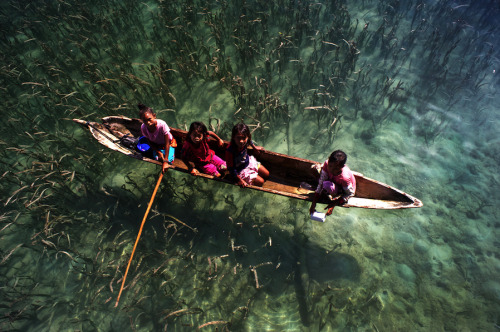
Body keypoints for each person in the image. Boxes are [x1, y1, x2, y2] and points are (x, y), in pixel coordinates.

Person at [309, 150, 356, 216]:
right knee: (314, 168)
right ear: (328, 161)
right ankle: (324, 191)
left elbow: (350, 193)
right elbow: (321, 183)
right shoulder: (327, 164)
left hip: (341, 187)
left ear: (342, 167)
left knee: (327, 185)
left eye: (336, 169)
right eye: (330, 166)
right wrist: (313, 204)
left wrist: (334, 204)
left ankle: (329, 193)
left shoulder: (344, 178)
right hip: (332, 179)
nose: (331, 170)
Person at [225, 123, 269, 187]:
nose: (241, 141)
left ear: (247, 136)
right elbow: (230, 169)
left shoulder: (245, 141)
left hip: (248, 162)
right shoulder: (230, 150)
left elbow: (249, 141)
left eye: (244, 138)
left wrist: (255, 147)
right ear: (233, 137)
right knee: (261, 182)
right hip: (239, 170)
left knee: (267, 174)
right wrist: (239, 180)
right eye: (238, 138)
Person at [138, 103, 176, 173]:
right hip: (157, 145)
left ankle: (170, 154)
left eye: (149, 119)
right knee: (157, 159)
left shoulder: (162, 125)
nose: (148, 123)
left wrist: (165, 161)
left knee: (169, 161)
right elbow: (149, 141)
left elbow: (167, 143)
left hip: (167, 144)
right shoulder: (143, 127)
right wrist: (158, 152)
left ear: (154, 116)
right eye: (145, 121)